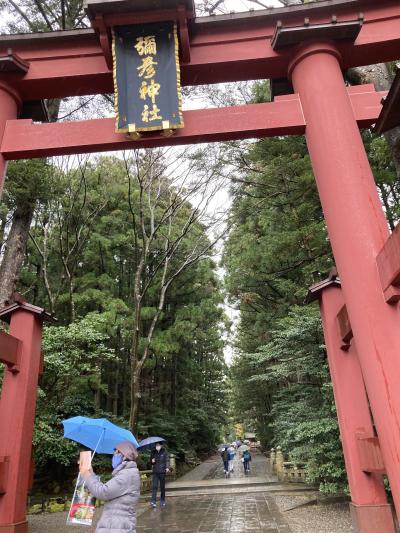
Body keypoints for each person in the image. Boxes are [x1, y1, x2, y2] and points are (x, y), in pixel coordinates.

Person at [80, 441, 140, 533]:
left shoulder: (126, 475)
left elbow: (103, 492)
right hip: (115, 525)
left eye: (117, 452)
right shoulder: (126, 473)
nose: (114, 455)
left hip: (118, 527)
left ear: (125, 455)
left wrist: (87, 475)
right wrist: (90, 473)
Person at [150, 442, 170, 508]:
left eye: (158, 445)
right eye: (156, 445)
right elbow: (151, 462)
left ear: (161, 445)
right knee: (154, 486)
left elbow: (167, 460)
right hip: (155, 471)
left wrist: (167, 467)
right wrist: (152, 461)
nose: (157, 446)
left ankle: (162, 500)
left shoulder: (164, 452)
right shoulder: (153, 452)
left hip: (162, 471)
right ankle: (153, 501)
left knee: (162, 487)